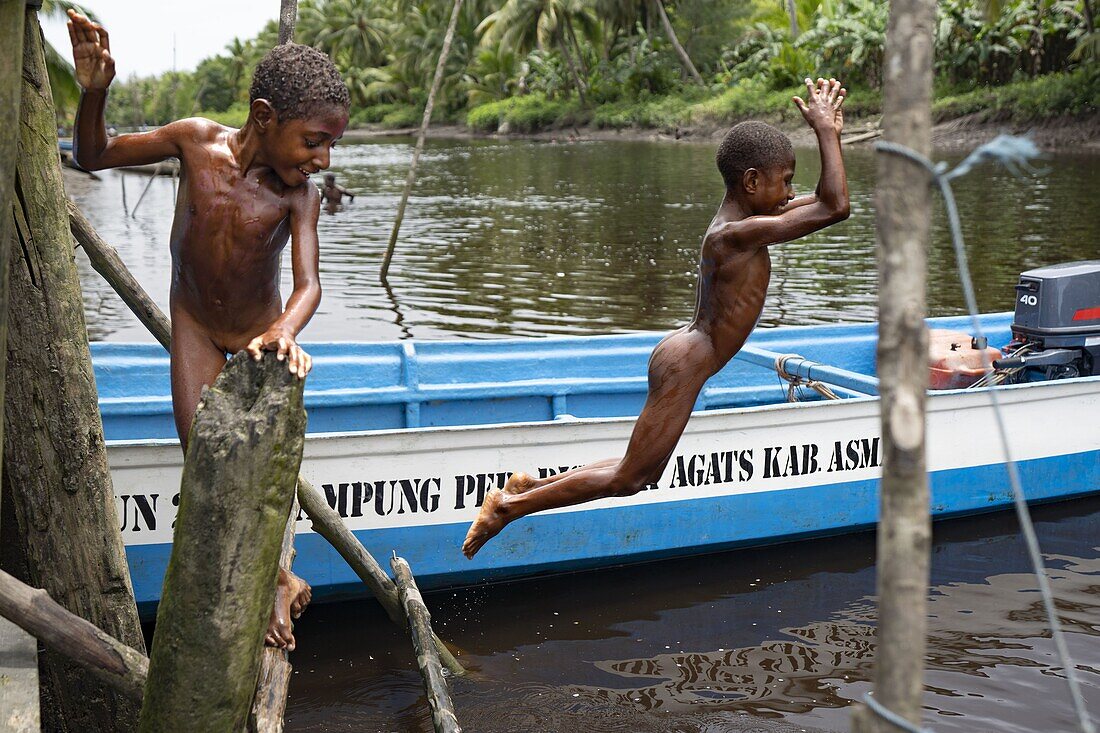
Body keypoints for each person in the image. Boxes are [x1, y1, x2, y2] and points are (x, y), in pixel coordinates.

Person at [462, 77, 850, 558]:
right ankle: (505, 509)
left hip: (688, 355)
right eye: (784, 181)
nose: (790, 192)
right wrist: (826, 134)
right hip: (687, 361)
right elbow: (836, 206)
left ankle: (528, 486)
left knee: (641, 471)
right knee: (631, 478)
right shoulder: (732, 236)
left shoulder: (751, 224)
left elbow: (825, 199)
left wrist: (828, 136)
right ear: (751, 182)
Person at [68, 10, 350, 650]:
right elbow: (92, 155)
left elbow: (309, 284)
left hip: (258, 339)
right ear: (263, 116)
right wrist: (95, 93)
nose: (322, 159)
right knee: (206, 469)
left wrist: (283, 332)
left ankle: (276, 579)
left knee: (257, 474)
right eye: (313, 141)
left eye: (331, 144)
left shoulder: (297, 196)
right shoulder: (195, 142)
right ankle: (275, 577)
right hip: (194, 325)